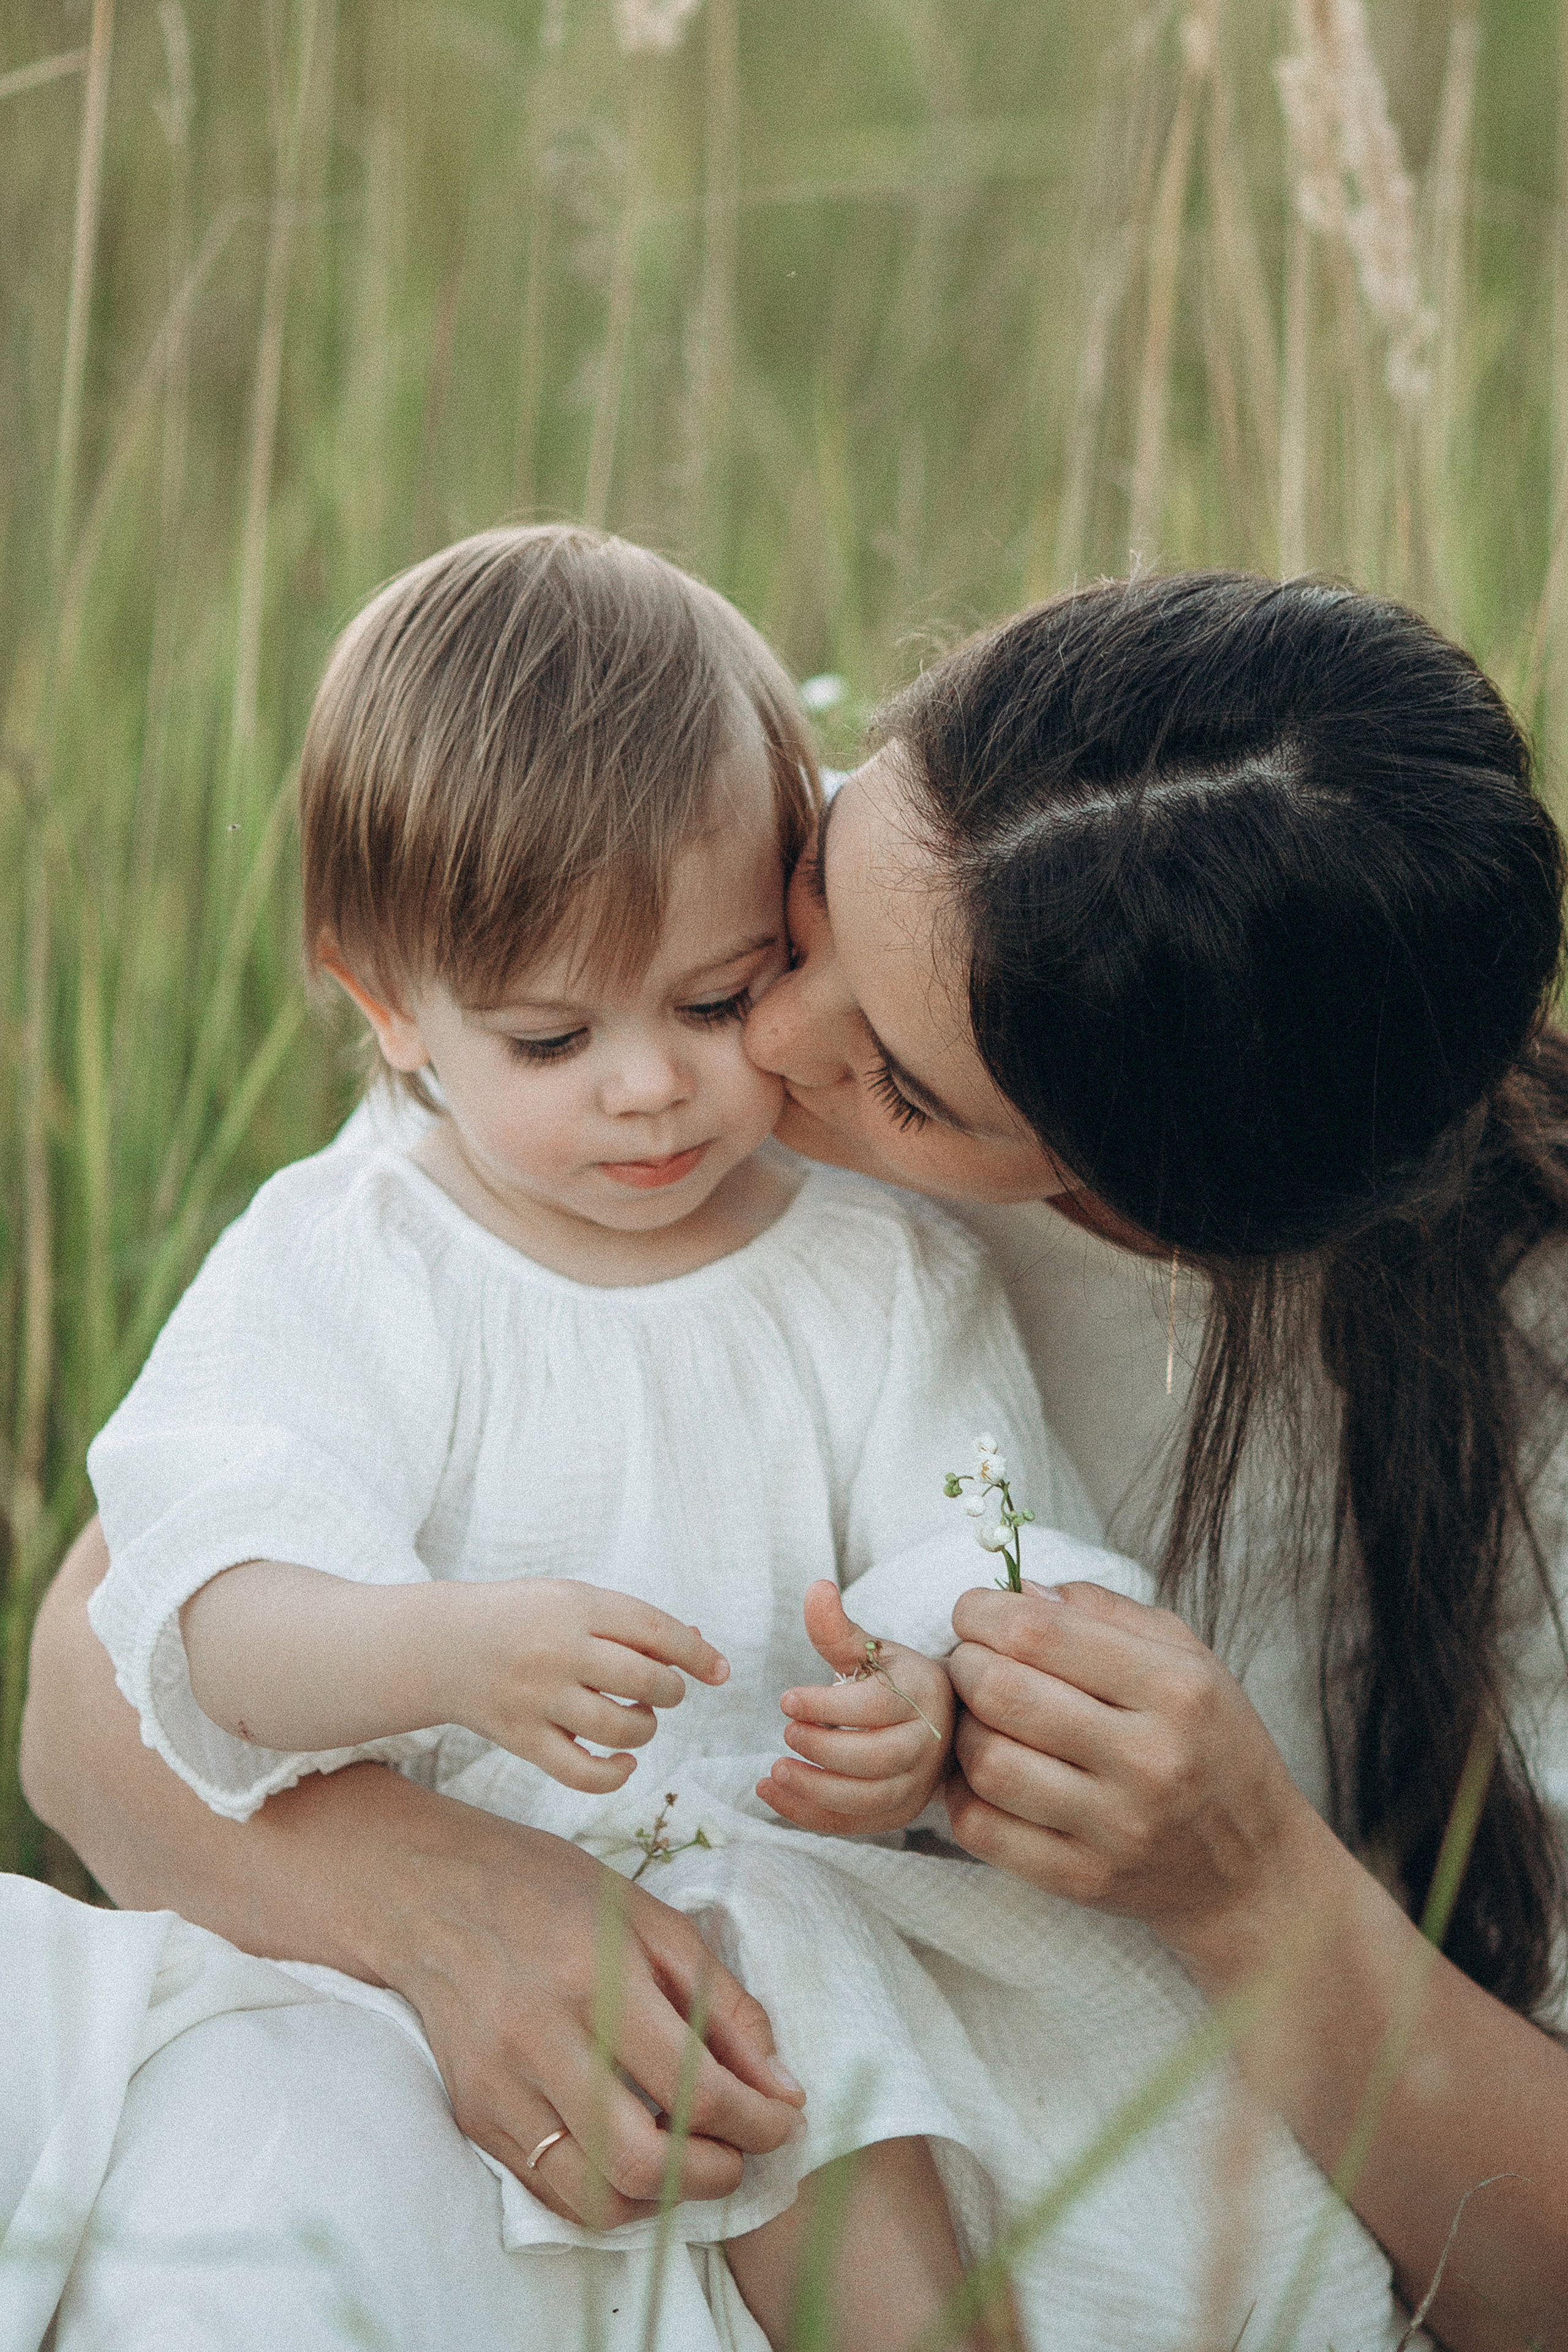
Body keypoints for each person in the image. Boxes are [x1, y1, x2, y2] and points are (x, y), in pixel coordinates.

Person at [21, 568, 1567, 2346]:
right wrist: (431, 1901)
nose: (744, 1050)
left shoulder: (1435, 1376)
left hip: (902, 2043)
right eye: (813, 908)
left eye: (902, 1084)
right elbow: (105, 1665)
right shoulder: (648, 940)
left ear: (1145, 1204)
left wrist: (1243, 1882)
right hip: (536, 2012)